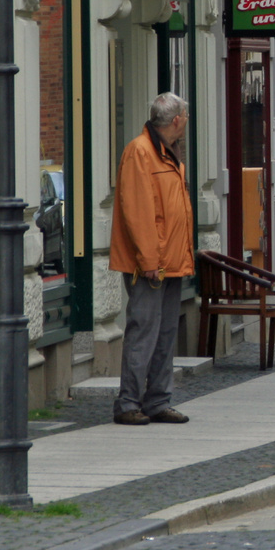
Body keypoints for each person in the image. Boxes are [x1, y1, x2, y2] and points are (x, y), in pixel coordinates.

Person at [108, 93, 195, 426]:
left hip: (170, 261)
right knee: (143, 331)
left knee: (164, 334)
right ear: (176, 120)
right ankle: (128, 403)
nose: (186, 121)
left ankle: (158, 400)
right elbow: (138, 213)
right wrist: (148, 262)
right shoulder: (140, 152)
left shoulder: (169, 153)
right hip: (151, 264)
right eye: (185, 116)